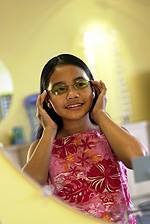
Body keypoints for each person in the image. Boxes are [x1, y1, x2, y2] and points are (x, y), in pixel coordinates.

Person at [22, 53, 146, 223]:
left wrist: (100, 114)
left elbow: (144, 166)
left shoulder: (111, 134)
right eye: (60, 89)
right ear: (47, 99)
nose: (72, 94)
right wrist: (49, 130)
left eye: (80, 84)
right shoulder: (41, 146)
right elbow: (27, 192)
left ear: (93, 89)